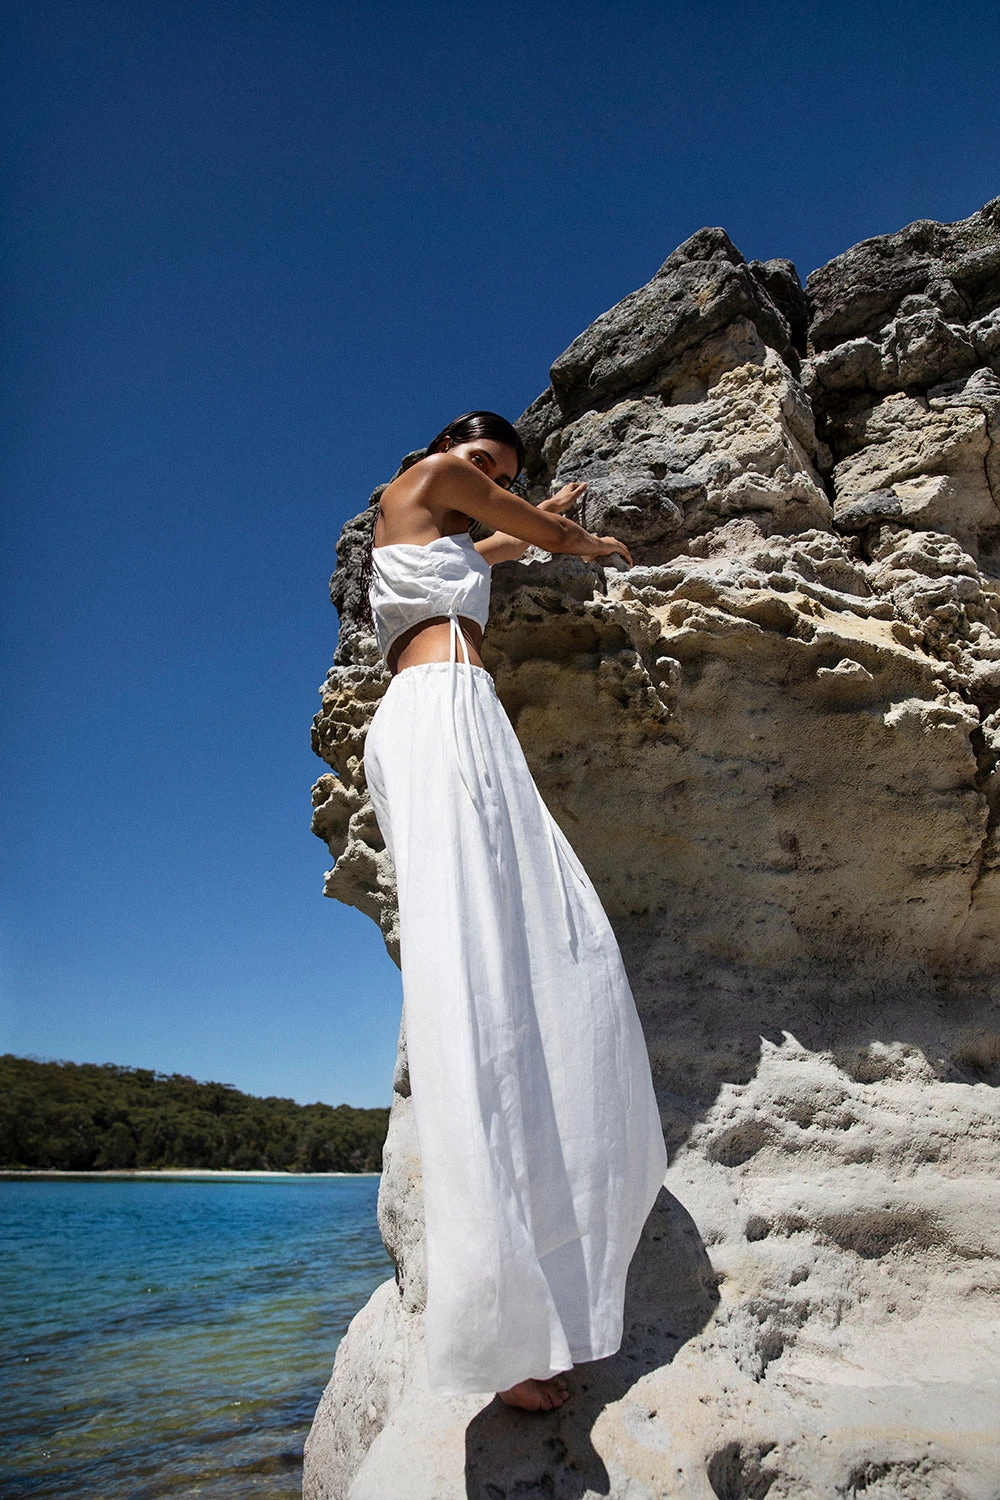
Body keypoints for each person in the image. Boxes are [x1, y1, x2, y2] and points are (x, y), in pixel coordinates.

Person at [361, 411, 668, 1413]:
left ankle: (537, 1299)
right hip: (436, 714)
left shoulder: (449, 538)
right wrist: (581, 535)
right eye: (484, 460)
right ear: (447, 449)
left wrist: (539, 516)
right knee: (477, 982)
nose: (487, 475)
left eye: (503, 468)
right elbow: (528, 530)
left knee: (546, 953)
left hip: (465, 716)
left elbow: (497, 541)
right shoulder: (423, 481)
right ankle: (496, 1337)